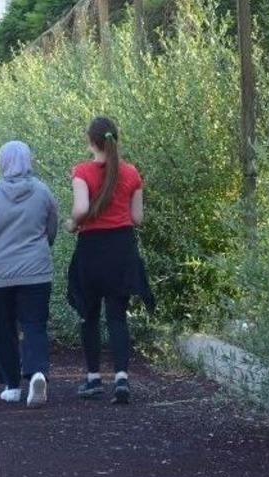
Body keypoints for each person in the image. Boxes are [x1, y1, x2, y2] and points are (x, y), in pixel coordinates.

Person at [0, 141, 58, 408]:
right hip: (36, 273)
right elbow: (52, 227)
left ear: (2, 162)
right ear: (29, 160)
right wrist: (40, 250)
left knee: (3, 329)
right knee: (34, 325)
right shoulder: (43, 192)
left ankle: (12, 386)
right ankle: (37, 372)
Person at [66, 116, 154, 404]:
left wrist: (71, 224)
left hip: (92, 249)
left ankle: (93, 379)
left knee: (89, 315)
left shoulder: (82, 172)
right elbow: (137, 218)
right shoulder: (131, 173)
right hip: (122, 249)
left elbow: (80, 209)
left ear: (90, 141)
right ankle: (122, 380)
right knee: (117, 318)